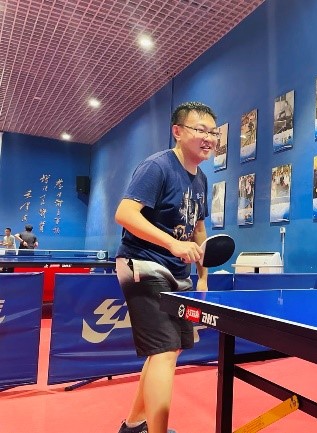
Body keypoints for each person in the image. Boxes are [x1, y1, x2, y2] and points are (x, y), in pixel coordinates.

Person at [114, 101, 220, 433]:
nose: (209, 138)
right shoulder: (157, 167)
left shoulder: (201, 179)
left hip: (178, 272)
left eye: (213, 132)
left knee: (166, 351)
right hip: (141, 263)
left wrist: (204, 276)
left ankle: (134, 425)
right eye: (200, 130)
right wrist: (173, 243)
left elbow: (198, 230)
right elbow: (125, 214)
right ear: (177, 131)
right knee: (164, 350)